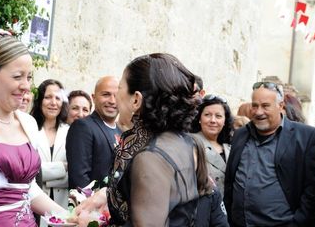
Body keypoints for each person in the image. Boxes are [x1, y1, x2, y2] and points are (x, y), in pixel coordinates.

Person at [75, 53, 228, 226]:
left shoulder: (151, 158)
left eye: (120, 89)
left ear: (136, 100)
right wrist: (106, 194)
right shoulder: (180, 142)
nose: (116, 97)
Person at [0, 35, 68, 226]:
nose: (26, 86)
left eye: (29, 77)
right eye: (17, 76)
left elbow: (28, 189)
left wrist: (67, 218)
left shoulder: (29, 123)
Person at [224, 81, 315, 226]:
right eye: (255, 105)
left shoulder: (306, 137)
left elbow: (313, 187)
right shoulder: (240, 134)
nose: (258, 112)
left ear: (280, 106)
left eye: (265, 106)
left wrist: (299, 221)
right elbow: (230, 180)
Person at [66, 76, 121, 190]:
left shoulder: (121, 131)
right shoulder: (83, 127)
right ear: (94, 98)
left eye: (117, 96)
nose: (112, 101)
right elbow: (79, 178)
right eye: (106, 94)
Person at [31, 79, 70, 219]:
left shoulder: (70, 132)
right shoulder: (29, 129)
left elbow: (73, 173)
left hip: (62, 205)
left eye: (58, 98)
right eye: (48, 97)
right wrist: (62, 167)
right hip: (35, 207)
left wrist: (43, 178)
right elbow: (29, 173)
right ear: (40, 100)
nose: (53, 103)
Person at [192, 94, 233, 193]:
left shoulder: (229, 147)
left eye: (218, 116)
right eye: (207, 115)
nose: (213, 120)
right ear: (199, 119)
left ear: (224, 121)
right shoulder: (190, 143)